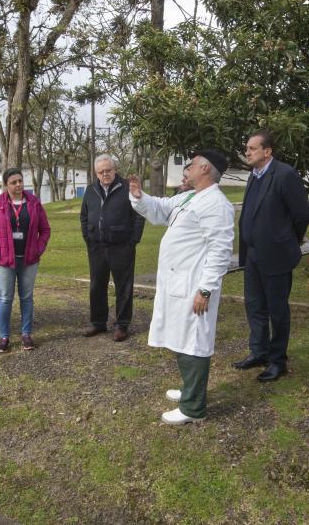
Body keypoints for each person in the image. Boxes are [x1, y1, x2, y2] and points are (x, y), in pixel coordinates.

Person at [128, 149, 234, 425]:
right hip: (177, 282)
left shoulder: (216, 204)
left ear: (206, 169)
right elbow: (161, 208)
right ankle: (190, 390)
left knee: (194, 342)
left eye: (192, 164)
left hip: (195, 286)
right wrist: (140, 195)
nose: (187, 168)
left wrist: (206, 289)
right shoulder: (190, 196)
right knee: (180, 337)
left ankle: (194, 408)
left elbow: (220, 250)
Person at [233, 130, 309, 381]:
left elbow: (302, 215)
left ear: (267, 151)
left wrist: (289, 239)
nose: (247, 152)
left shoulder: (285, 174)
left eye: (253, 148)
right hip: (253, 254)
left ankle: (278, 360)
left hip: (276, 255)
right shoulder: (254, 176)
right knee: (255, 306)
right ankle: (259, 351)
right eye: (247, 148)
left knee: (277, 311)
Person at [0, 169, 51, 353]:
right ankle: (4, 336)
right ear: (6, 185)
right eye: (14, 182)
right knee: (5, 298)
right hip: (4, 261)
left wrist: (38, 248)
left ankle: (26, 334)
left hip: (29, 259)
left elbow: (45, 230)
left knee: (26, 297)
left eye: (20, 181)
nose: (18, 184)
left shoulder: (34, 203)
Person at [79, 154, 145, 342]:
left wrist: (133, 241)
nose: (105, 174)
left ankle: (121, 325)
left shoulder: (127, 187)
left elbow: (139, 215)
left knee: (123, 287)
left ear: (115, 169)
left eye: (108, 170)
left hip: (122, 246)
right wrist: (88, 237)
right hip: (96, 247)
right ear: (96, 173)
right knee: (97, 285)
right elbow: (84, 215)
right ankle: (98, 323)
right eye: (101, 172)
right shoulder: (91, 189)